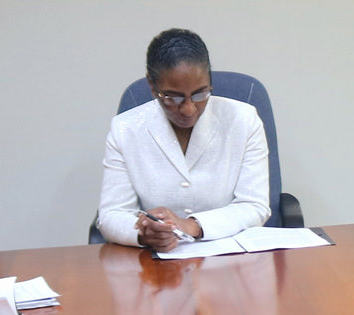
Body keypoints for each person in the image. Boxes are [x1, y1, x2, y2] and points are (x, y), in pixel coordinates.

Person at [96, 28, 271, 251]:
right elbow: (111, 214)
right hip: (157, 270)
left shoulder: (243, 120)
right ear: (152, 86)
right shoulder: (125, 129)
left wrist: (190, 226)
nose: (188, 109)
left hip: (229, 262)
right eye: (173, 97)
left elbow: (254, 205)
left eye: (200, 94)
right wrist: (144, 232)